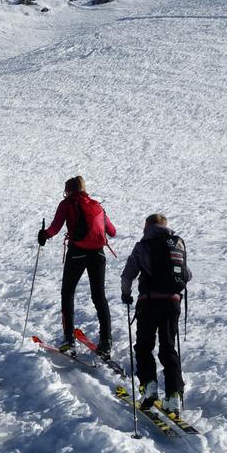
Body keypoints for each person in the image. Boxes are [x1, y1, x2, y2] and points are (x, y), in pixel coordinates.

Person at [37, 175, 117, 358]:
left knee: (68, 292)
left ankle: (69, 339)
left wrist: (44, 235)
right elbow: (112, 232)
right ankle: (106, 341)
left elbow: (55, 228)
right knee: (99, 297)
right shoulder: (97, 205)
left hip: (77, 253)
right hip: (98, 254)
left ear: (68, 190)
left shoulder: (66, 204)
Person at [120, 213, 190, 416]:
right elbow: (187, 274)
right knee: (168, 348)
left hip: (149, 302)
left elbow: (128, 274)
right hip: (172, 303)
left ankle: (149, 386)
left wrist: (126, 294)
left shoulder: (143, 245)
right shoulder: (177, 245)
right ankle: (174, 396)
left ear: (147, 227)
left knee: (143, 346)